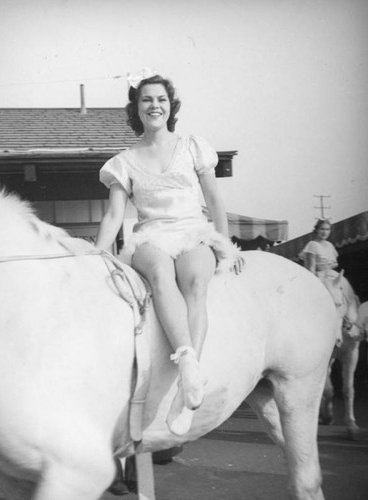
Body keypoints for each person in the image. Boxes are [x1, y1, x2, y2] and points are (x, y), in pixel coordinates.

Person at [95, 69, 243, 436]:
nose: (154, 105)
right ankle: (189, 363)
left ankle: (185, 386)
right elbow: (115, 216)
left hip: (193, 230)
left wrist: (224, 244)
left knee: (195, 283)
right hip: (151, 237)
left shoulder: (193, 145)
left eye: (161, 99)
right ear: (137, 108)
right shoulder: (123, 161)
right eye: (147, 99)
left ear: (170, 106)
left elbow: (213, 199)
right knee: (160, 273)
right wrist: (97, 254)